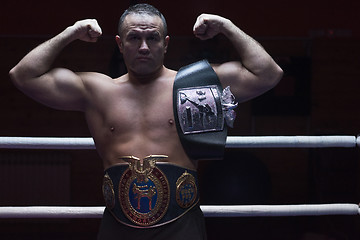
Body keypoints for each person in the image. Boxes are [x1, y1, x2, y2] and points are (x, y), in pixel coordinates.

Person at [9, 3, 283, 240]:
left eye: (152, 38)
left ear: (165, 44)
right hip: (118, 225)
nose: (143, 46)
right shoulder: (97, 90)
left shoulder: (196, 87)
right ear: (119, 44)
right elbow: (24, 75)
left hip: (181, 225)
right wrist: (72, 31)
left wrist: (226, 25)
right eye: (134, 38)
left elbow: (267, 74)